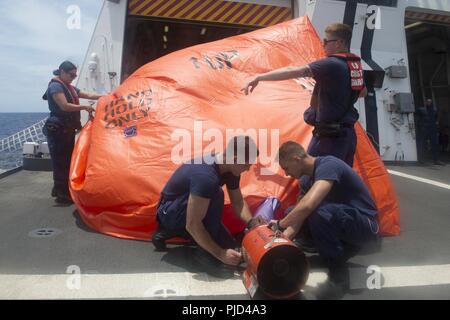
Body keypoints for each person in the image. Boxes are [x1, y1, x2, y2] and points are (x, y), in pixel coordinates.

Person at [242, 23, 366, 167]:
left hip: (329, 136)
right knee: (340, 178)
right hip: (347, 135)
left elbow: (294, 70)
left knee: (310, 175)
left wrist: (259, 77)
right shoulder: (354, 65)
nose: (323, 44)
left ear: (339, 43)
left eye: (326, 41)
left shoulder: (331, 64)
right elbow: (363, 92)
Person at [273, 141, 379, 298]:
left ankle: (339, 278)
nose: (287, 174)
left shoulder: (328, 164)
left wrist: (280, 224)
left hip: (366, 226)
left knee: (319, 212)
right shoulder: (305, 181)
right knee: (293, 212)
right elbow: (298, 218)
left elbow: (309, 205)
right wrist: (280, 241)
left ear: (296, 159)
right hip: (345, 224)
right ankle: (330, 254)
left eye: (286, 168)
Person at [152, 136, 265, 268]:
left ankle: (176, 233)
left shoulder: (229, 168)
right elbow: (193, 224)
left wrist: (252, 223)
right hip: (170, 212)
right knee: (216, 193)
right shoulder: (206, 176)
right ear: (235, 158)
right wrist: (220, 254)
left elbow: (238, 202)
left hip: (186, 207)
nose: (248, 169)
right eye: (247, 164)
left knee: (231, 246)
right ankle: (200, 250)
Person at [42, 61, 103, 204]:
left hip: (67, 129)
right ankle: (62, 196)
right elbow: (64, 106)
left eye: (75, 75)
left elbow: (87, 94)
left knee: (67, 160)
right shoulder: (55, 86)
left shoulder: (70, 87)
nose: (73, 77)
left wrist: (106, 96)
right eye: (71, 74)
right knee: (60, 162)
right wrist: (84, 107)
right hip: (58, 130)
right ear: (62, 72)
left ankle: (59, 189)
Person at [416, 99, 444, 165]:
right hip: (424, 128)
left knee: (435, 144)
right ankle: (421, 159)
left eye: (430, 102)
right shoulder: (421, 109)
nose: (429, 103)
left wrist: (437, 123)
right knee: (423, 144)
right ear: (425, 102)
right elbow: (416, 117)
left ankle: (436, 160)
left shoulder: (434, 110)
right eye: (428, 102)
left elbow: (437, 117)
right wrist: (419, 126)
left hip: (432, 129)